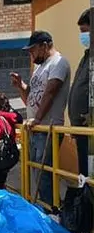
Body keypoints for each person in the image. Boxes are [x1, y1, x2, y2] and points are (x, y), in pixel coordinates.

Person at [12, 30, 71, 208]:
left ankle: (49, 212)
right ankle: (39, 209)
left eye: (33, 50)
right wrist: (21, 86)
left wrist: (37, 119)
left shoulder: (59, 63)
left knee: (45, 175)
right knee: (35, 173)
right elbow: (31, 98)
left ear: (45, 46)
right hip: (34, 128)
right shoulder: (39, 68)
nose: (31, 55)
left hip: (47, 128)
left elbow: (50, 93)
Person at [68, 9, 91, 176]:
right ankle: (84, 198)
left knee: (89, 170)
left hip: (89, 129)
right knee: (83, 171)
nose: (82, 36)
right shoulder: (87, 57)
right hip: (81, 129)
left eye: (85, 31)